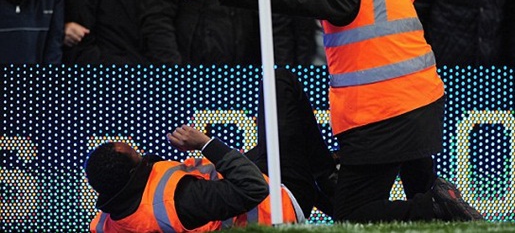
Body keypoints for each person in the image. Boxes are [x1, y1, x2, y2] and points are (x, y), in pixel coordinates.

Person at [176, 0, 483, 223]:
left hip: (384, 112)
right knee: (422, 190)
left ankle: (434, 206)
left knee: (353, 214)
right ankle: (437, 202)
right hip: (420, 101)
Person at [85, 69, 338, 231]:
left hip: (255, 192)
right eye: (136, 155)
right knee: (279, 83)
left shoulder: (108, 225)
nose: (142, 155)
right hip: (280, 204)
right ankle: (328, 183)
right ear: (130, 172)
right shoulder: (182, 199)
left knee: (281, 137)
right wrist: (205, 143)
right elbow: (253, 188)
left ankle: (327, 183)